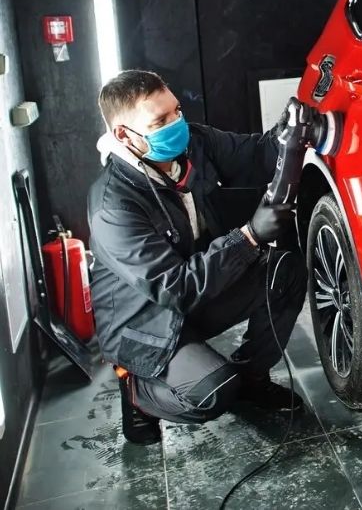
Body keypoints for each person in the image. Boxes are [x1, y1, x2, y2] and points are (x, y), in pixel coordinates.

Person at [87, 69, 307, 446]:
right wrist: (249, 236)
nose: (177, 123)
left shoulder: (192, 144)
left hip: (195, 291)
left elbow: (257, 154)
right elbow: (175, 289)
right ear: (124, 134)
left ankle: (252, 377)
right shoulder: (113, 205)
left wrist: (286, 130)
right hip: (143, 321)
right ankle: (138, 392)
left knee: (286, 272)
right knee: (212, 390)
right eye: (160, 120)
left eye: (176, 111)